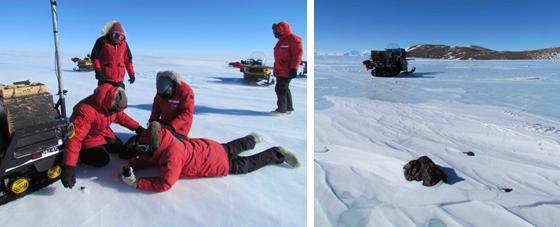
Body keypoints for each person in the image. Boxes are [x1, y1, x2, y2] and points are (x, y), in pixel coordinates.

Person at [120, 121, 300, 192]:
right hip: (211, 147)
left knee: (248, 164)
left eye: (144, 148)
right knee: (232, 146)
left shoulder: (171, 158)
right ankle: (252, 139)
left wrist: (137, 183)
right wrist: (132, 165)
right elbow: (150, 157)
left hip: (219, 163)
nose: (142, 152)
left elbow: (166, 183)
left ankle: (277, 153)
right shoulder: (165, 139)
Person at [61, 84, 145, 189]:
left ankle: (102, 146)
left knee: (119, 148)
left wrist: (138, 128)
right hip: (88, 137)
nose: (117, 112)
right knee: (102, 160)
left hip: (103, 132)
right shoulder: (85, 111)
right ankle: (80, 156)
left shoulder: (111, 104)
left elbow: (122, 118)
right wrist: (69, 166)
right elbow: (75, 138)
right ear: (112, 105)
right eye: (116, 110)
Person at [149, 70, 195, 138]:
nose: (163, 97)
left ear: (173, 86)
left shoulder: (186, 92)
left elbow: (186, 113)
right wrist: (152, 120)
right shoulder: (161, 90)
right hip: (165, 123)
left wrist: (171, 127)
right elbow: (156, 106)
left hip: (180, 128)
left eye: (166, 95)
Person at [90, 20, 135, 88]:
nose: (117, 38)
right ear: (110, 33)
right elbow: (95, 57)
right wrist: (98, 70)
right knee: (103, 97)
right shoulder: (101, 41)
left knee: (119, 97)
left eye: (120, 36)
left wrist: (131, 74)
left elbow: (128, 61)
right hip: (104, 78)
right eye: (114, 35)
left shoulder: (124, 44)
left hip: (119, 80)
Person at [271, 22, 303, 115]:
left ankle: (281, 110)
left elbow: (297, 55)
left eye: (275, 31)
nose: (274, 33)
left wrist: (294, 68)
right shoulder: (281, 41)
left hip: (287, 70)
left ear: (281, 30)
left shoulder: (294, 39)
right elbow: (278, 58)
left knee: (280, 89)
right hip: (280, 70)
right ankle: (288, 108)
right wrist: (275, 69)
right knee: (284, 88)